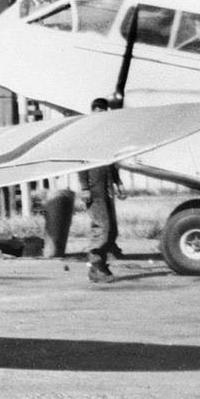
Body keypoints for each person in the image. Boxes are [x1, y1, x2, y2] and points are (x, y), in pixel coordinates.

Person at [80, 97, 125, 282]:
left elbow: (111, 163)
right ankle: (95, 268)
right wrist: (84, 188)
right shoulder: (88, 135)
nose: (102, 113)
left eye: (104, 110)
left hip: (106, 189)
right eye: (98, 110)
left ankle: (101, 265)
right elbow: (81, 163)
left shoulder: (107, 136)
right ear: (93, 112)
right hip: (94, 188)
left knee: (111, 230)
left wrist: (118, 182)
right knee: (102, 229)